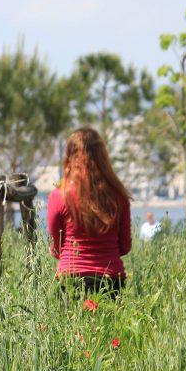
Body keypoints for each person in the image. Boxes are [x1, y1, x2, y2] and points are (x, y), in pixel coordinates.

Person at [47, 127, 132, 298]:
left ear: (70, 157)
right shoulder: (119, 196)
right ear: (103, 157)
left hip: (70, 280)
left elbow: (56, 249)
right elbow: (124, 247)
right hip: (111, 281)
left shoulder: (59, 195)